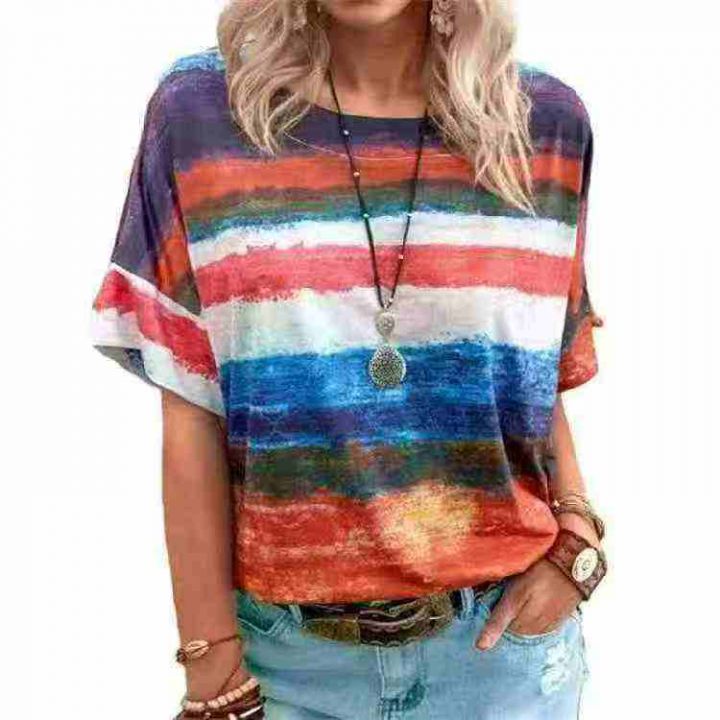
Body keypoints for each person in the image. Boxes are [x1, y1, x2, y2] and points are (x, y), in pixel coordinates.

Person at [89, 1, 608, 718]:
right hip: (283, 668)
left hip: (501, 666)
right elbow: (190, 406)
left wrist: (578, 537)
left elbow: (536, 380)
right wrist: (212, 671)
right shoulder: (202, 119)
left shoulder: (545, 127)